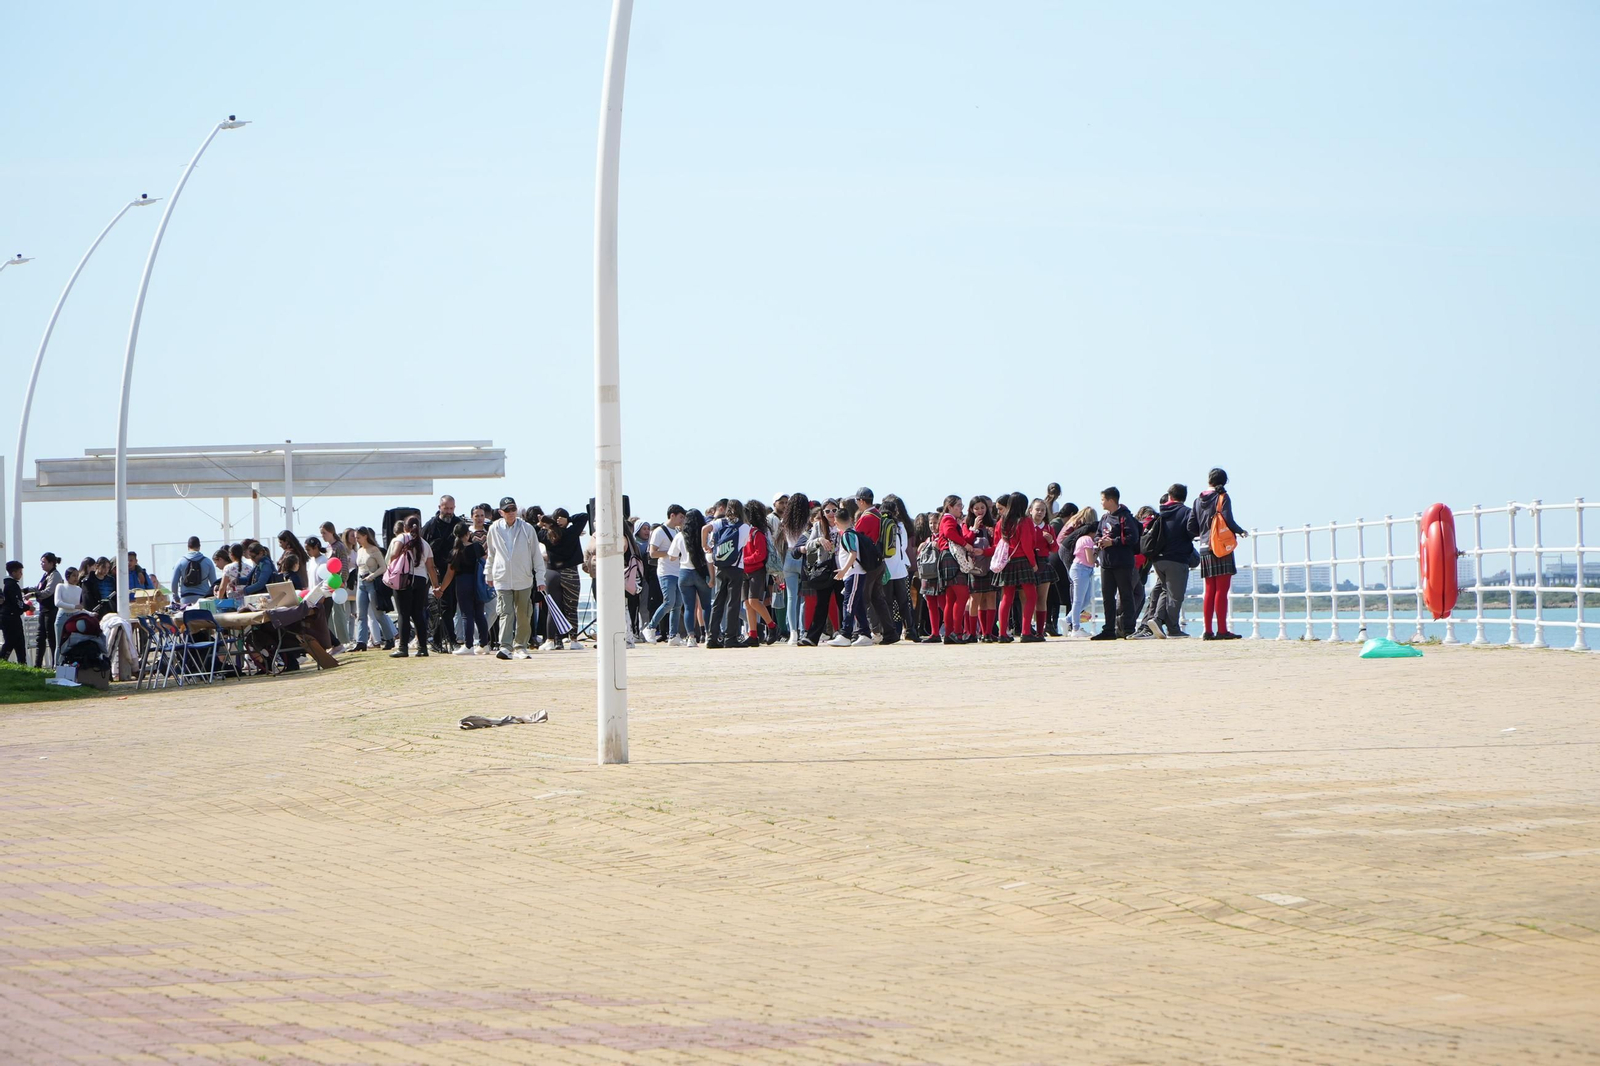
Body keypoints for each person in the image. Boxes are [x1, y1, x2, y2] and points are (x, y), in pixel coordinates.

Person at [1189, 467, 1248, 640]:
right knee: (1222, 590)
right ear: (1224, 481)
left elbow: (1190, 527)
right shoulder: (1223, 497)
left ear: (1209, 480)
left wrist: (1203, 533)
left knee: (1209, 590)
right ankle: (1222, 630)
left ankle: (1207, 631)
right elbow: (1228, 520)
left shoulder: (1197, 500)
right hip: (1220, 547)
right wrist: (1240, 531)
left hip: (1205, 547)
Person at [486, 496, 546, 659]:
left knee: (524, 613)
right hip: (502, 578)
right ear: (501, 512)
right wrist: (488, 573)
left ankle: (520, 645)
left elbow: (536, 555)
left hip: (524, 578)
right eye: (507, 510)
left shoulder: (527, 528)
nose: (511, 513)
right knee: (505, 612)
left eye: (513, 509)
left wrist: (540, 578)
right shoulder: (494, 529)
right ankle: (505, 646)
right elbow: (491, 553)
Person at [991, 491, 1047, 642]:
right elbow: (1028, 545)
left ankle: (1002, 633)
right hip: (1022, 561)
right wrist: (1033, 564)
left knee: (1006, 597)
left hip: (1007, 562)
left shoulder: (1001, 522)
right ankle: (1026, 631)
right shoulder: (1024, 521)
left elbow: (996, 544)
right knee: (1031, 596)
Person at [386, 515, 438, 658]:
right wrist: (436, 586)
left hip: (404, 578)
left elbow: (394, 554)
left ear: (405, 528)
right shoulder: (424, 544)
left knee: (403, 613)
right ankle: (423, 647)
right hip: (421, 580)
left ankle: (403, 647)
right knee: (418, 614)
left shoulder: (402, 538)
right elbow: (431, 567)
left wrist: (392, 567)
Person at [849, 488, 896, 644]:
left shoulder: (866, 518)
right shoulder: (878, 514)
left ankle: (862, 632)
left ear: (861, 501)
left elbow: (855, 538)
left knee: (861, 598)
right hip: (879, 561)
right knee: (878, 598)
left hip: (868, 564)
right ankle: (890, 632)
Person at [434, 523, 489, 654]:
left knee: (466, 615)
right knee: (479, 614)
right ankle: (484, 644)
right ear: (468, 534)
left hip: (463, 583)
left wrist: (441, 589)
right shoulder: (477, 547)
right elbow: (485, 563)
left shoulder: (455, 552)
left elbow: (449, 574)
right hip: (477, 582)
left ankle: (468, 645)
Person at [538, 507, 588, 650]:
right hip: (570, 573)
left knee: (553, 608)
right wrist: (569, 519)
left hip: (552, 573)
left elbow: (535, 533)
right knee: (571, 607)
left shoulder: (546, 535)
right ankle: (573, 640)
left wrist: (545, 523)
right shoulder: (572, 532)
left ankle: (550, 640)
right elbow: (584, 516)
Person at [422, 496, 467, 652]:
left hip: (455, 570)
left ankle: (444, 638)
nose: (448, 512)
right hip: (435, 570)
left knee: (451, 607)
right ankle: (443, 639)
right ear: (439, 507)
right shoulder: (430, 526)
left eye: (451, 508)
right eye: (446, 508)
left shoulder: (458, 524)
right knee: (439, 608)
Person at [1092, 488, 1138, 640]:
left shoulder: (1125, 517)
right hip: (1107, 563)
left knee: (1126, 595)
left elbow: (1133, 537)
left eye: (1103, 499)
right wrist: (1099, 542)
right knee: (1107, 597)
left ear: (1111, 500)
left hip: (1122, 563)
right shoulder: (1104, 518)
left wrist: (1113, 542)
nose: (1101, 502)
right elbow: (1098, 534)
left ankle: (1128, 628)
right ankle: (1109, 629)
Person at [1151, 484, 1194, 638]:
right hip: (1177, 558)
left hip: (1158, 559)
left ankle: (1156, 619)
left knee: (1164, 590)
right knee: (1176, 595)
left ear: (1169, 496)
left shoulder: (1161, 512)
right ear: (1184, 497)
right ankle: (1173, 629)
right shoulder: (1186, 512)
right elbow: (1191, 532)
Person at [705, 498, 749, 649]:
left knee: (718, 602)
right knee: (733, 602)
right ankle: (730, 637)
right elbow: (743, 545)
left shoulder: (720, 523)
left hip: (720, 568)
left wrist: (705, 545)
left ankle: (712, 637)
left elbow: (704, 529)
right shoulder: (744, 527)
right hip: (736, 567)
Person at [643, 505, 686, 644]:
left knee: (677, 604)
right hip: (666, 572)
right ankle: (650, 627)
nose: (682, 520)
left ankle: (673, 635)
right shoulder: (659, 531)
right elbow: (652, 553)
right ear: (672, 515)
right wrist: (671, 553)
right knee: (669, 602)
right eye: (681, 517)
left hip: (679, 571)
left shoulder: (679, 531)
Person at [738, 499, 778, 647]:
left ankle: (772, 626)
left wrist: (743, 561)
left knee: (754, 601)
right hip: (746, 572)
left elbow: (760, 555)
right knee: (748, 604)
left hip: (756, 571)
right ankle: (753, 634)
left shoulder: (757, 533)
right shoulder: (745, 532)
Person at [881, 494, 918, 642]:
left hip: (886, 570)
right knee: (904, 602)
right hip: (901, 568)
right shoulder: (901, 526)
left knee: (887, 602)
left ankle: (890, 633)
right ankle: (910, 630)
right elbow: (903, 547)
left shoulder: (881, 525)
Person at [673, 509, 713, 646]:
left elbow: (672, 556)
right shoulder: (706, 535)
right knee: (706, 606)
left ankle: (691, 637)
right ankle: (708, 634)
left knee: (689, 607)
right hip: (701, 572)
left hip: (684, 573)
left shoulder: (680, 536)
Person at [776, 494, 811, 646]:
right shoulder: (807, 522)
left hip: (789, 558)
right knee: (804, 598)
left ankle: (793, 633)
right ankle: (804, 630)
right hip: (803, 556)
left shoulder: (784, 522)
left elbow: (779, 544)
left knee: (791, 598)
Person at [354, 527, 397, 651]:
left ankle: (389, 639)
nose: (357, 540)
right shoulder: (360, 551)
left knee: (378, 614)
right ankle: (361, 641)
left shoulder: (374, 550)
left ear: (365, 536)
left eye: (358, 537)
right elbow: (359, 567)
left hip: (372, 583)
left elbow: (383, 567)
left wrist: (372, 576)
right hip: (361, 584)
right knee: (361, 615)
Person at [1062, 506, 1099, 638]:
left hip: (1081, 569)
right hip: (1081, 570)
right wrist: (1097, 554)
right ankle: (1075, 628)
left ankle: (1067, 620)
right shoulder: (1088, 540)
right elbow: (1090, 559)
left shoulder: (1081, 539)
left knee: (1085, 599)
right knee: (1078, 601)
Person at [965, 496, 997, 641]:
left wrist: (985, 551)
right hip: (974, 566)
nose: (980, 511)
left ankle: (987, 633)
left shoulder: (993, 525)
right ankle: (972, 633)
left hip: (990, 565)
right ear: (971, 509)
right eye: (976, 508)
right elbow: (965, 542)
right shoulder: (966, 524)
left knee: (990, 597)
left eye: (982, 508)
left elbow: (998, 546)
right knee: (975, 599)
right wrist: (975, 529)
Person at [31, 553, 62, 668]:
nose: (41, 564)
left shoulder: (55, 576)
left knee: (51, 638)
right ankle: (37, 665)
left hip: (51, 610)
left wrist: (34, 594)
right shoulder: (46, 575)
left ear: (51, 563)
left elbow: (48, 591)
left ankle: (55, 664)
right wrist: (26, 590)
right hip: (43, 610)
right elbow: (38, 587)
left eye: (44, 562)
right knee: (40, 638)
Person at [171, 536, 218, 606]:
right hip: (203, 599)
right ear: (199, 547)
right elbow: (214, 583)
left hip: (185, 599)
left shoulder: (180, 561)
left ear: (188, 546)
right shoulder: (208, 562)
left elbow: (174, 582)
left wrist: (176, 597)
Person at [1, 561, 28, 664]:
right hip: (10, 618)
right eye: (20, 571)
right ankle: (2, 661)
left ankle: (22, 663)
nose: (21, 574)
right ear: (13, 572)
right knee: (10, 641)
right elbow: (17, 602)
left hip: (13, 617)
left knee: (19, 642)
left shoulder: (11, 585)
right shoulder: (11, 585)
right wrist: (28, 607)